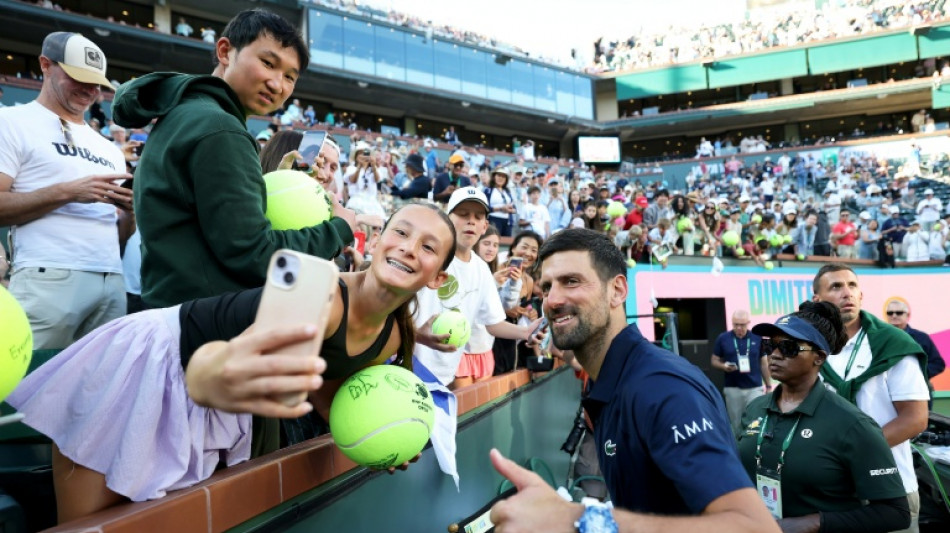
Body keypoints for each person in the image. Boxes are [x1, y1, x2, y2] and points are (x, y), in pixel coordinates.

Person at [6, 203, 457, 522]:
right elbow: (210, 366)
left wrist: (377, 442)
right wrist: (207, 381)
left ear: (438, 276)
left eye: (429, 245)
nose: (409, 247)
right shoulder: (317, 291)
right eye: (401, 231)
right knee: (87, 525)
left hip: (219, 405)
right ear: (376, 241)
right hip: (151, 362)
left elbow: (328, 394)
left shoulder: (392, 336)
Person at [489, 228, 778, 533]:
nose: (553, 299)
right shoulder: (609, 379)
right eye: (546, 288)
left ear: (617, 291)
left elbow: (755, 527)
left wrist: (576, 520)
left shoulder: (664, 388)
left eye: (571, 281)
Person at [112, 9, 358, 308]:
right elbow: (253, 255)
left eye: (290, 77)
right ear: (225, 51)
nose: (277, 84)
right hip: (202, 320)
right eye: (268, 63)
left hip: (177, 308)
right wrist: (338, 229)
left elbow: (208, 223)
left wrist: (272, 183)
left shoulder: (191, 113)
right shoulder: (221, 129)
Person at [0, 32, 133, 349]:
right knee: (26, 386)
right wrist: (69, 191)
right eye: (79, 78)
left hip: (111, 276)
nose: (90, 90)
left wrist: (132, 213)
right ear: (45, 65)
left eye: (97, 83)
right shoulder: (11, 121)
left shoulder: (109, 148)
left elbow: (119, 234)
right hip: (48, 274)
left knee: (96, 390)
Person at [738, 302, 910, 532]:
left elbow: (895, 513)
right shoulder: (755, 409)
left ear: (818, 357)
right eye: (770, 346)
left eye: (788, 347)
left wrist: (813, 523)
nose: (775, 355)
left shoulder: (852, 424)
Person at [812, 263, 929, 533]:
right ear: (817, 300)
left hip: (889, 489)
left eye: (852, 286)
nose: (847, 293)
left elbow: (915, 419)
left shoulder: (892, 344)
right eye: (836, 287)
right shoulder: (807, 347)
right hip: (828, 491)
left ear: (861, 296)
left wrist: (849, 456)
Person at [711, 310, 771, 433]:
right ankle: (739, 449)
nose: (738, 328)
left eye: (742, 325)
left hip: (755, 388)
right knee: (737, 424)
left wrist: (769, 385)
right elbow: (714, 360)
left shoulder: (757, 338)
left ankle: (754, 447)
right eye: (735, 324)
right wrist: (724, 366)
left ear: (748, 323)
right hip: (733, 389)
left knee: (756, 421)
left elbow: (763, 363)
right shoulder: (723, 338)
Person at [884, 297, 946, 386]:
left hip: (917, 392)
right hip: (888, 391)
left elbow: (938, 364)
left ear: (908, 315)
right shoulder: (880, 338)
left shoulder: (921, 337)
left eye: (899, 313)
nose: (894, 316)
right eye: (890, 313)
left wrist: (918, 373)